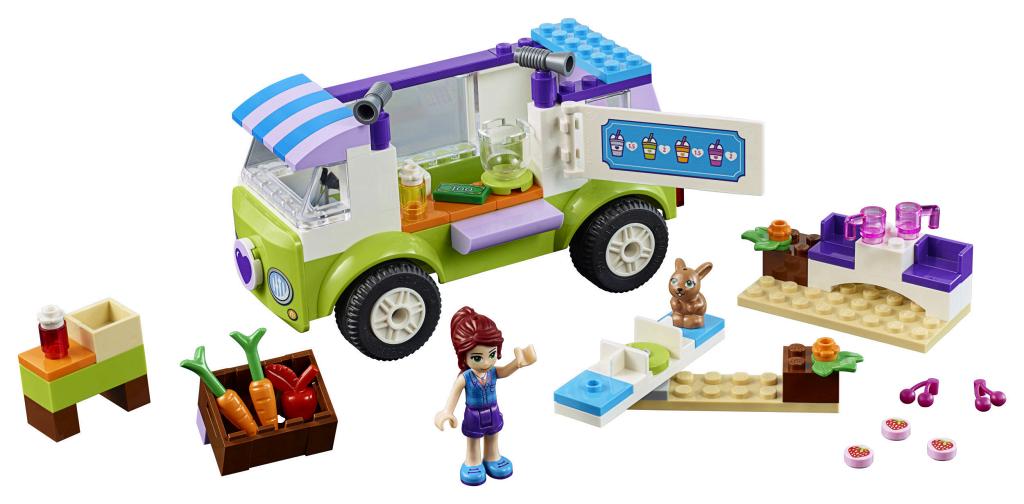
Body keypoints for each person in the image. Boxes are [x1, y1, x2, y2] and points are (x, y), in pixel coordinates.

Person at [434, 306, 537, 486]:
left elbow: (505, 371)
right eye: (477, 358)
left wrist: (518, 363)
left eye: (492, 354)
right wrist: (447, 411)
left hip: (493, 411)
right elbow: (454, 394)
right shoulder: (465, 377)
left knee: (493, 435)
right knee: (473, 439)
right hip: (473, 414)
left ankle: (492, 457)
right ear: (463, 356)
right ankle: (472, 461)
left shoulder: (492, 372)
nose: (487, 362)